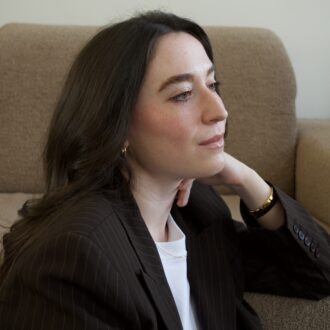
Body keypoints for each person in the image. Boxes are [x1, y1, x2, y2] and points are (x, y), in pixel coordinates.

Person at [0, 11, 329, 330]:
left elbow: (318, 274)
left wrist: (244, 179)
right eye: (183, 94)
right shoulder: (74, 257)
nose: (220, 111)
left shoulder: (194, 211)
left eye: (212, 85)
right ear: (118, 124)